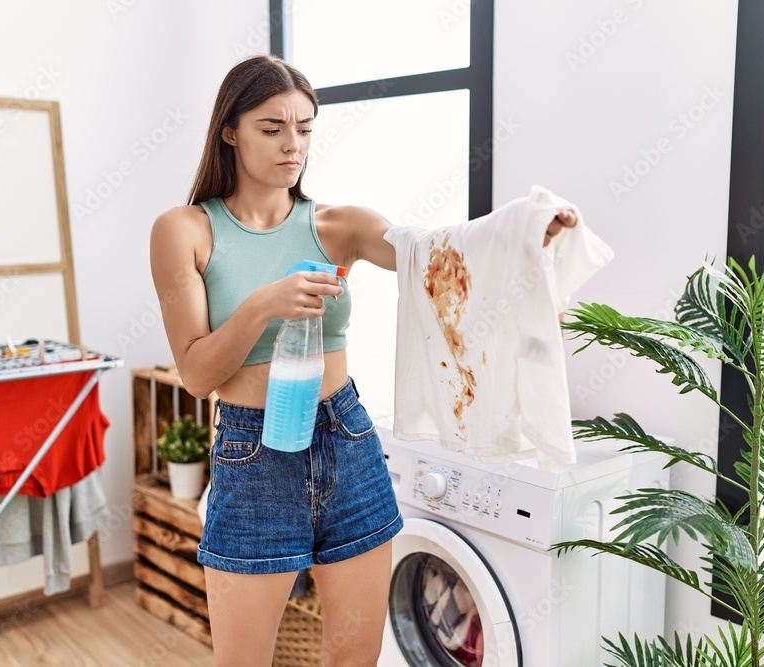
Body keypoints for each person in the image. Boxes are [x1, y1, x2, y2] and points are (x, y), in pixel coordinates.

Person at [149, 53, 579, 667]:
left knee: (356, 660)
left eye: (304, 128)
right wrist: (264, 305)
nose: (291, 145)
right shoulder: (185, 230)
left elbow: (435, 255)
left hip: (346, 443)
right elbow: (195, 375)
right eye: (271, 129)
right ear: (229, 132)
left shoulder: (337, 225)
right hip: (253, 456)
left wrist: (525, 231)